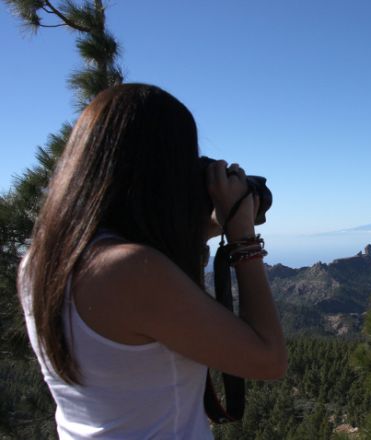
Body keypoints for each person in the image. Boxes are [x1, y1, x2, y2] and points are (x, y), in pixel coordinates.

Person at [18, 84, 287, 439]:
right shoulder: (129, 270)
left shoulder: (39, 261)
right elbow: (268, 359)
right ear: (162, 169)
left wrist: (194, 231)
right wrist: (243, 237)